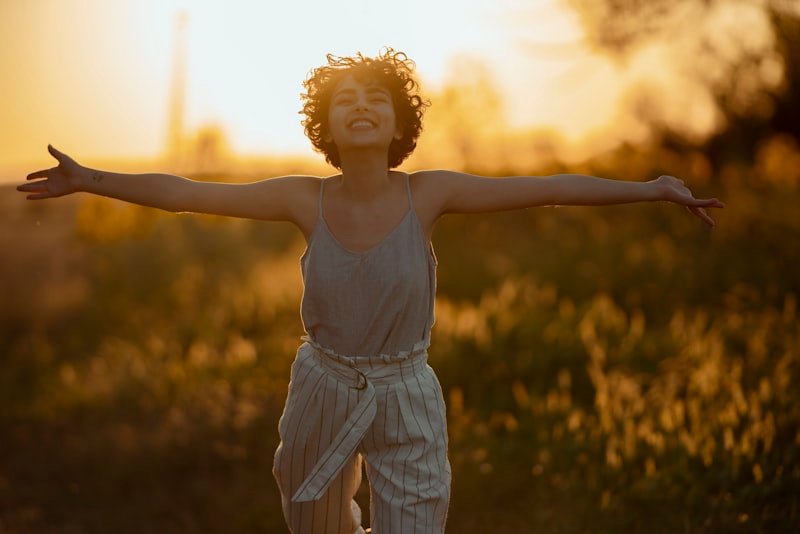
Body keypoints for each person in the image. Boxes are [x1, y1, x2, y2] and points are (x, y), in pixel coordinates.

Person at [18, 48, 723, 534]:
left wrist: (652, 189)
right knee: (313, 520)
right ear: (325, 126)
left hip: (407, 392)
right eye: (344, 101)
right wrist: (94, 180)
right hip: (322, 389)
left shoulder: (429, 194)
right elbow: (185, 193)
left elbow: (547, 188)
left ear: (397, 123)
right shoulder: (302, 198)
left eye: (374, 99)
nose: (359, 108)